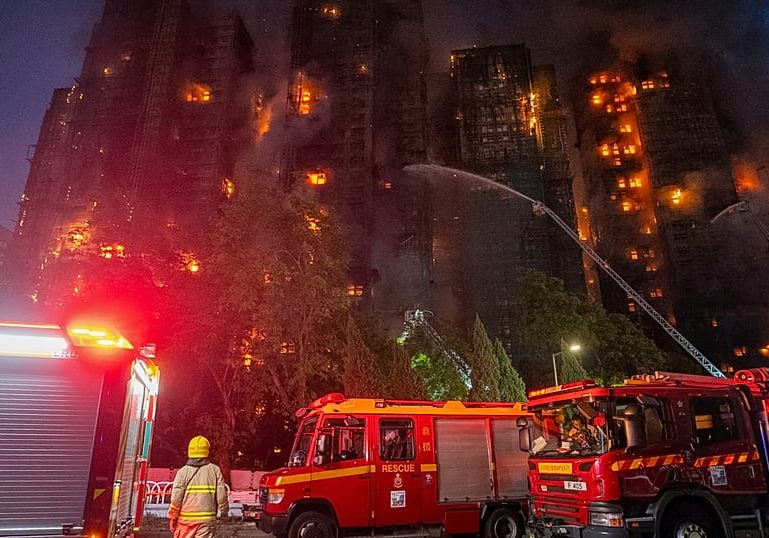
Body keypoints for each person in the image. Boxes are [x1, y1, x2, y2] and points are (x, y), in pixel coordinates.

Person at [168, 436, 229, 538]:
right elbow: (221, 495)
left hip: (185, 521)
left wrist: (173, 517)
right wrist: (224, 511)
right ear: (207, 451)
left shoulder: (182, 472)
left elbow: (176, 497)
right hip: (206, 520)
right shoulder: (215, 470)